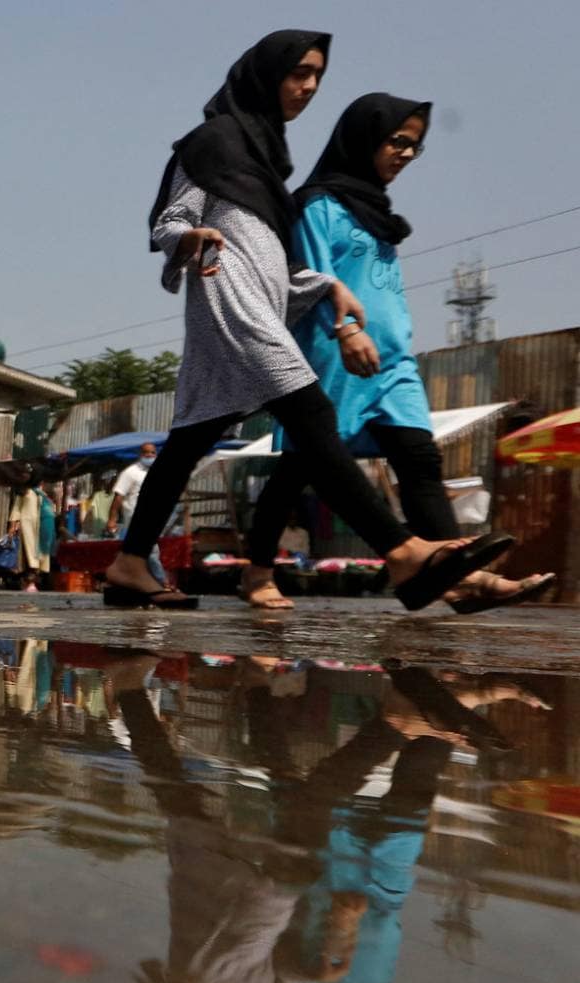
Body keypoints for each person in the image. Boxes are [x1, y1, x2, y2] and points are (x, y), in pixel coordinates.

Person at [110, 30, 509, 611]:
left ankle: (128, 564)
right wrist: (188, 237)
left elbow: (274, 253)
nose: (309, 87)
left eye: (317, 76)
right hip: (230, 299)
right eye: (298, 73)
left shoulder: (266, 156)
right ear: (264, 73)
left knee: (188, 440)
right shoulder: (213, 139)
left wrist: (329, 285)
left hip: (261, 301)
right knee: (314, 413)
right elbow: (171, 218)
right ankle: (403, 553)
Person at [240, 94, 554, 612]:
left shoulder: (377, 212)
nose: (407, 154)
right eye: (397, 141)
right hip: (334, 351)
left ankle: (459, 573)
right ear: (364, 139)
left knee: (418, 458)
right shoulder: (319, 204)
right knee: (302, 464)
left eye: (415, 146)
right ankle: (256, 574)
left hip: (393, 360)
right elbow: (310, 276)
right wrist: (344, 329)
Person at [106, 444, 167, 583]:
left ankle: (143, 582)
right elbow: (119, 497)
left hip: (152, 518)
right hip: (135, 517)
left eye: (152, 452)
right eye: (146, 452)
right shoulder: (130, 472)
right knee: (151, 551)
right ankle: (162, 582)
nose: (150, 455)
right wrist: (112, 519)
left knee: (141, 552)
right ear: (140, 454)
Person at [10, 483, 55, 591]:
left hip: (40, 530)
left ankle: (31, 582)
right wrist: (12, 526)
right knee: (27, 556)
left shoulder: (43, 495)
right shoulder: (24, 492)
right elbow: (16, 508)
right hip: (26, 529)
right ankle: (28, 582)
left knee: (38, 558)